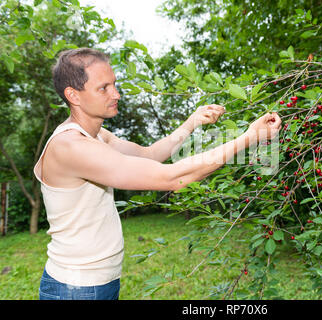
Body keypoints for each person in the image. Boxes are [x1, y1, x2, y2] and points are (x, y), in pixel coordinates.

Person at [33, 48, 281, 300]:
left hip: (96, 283)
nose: (116, 94)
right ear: (73, 95)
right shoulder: (70, 146)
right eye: (103, 88)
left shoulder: (97, 136)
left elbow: (149, 155)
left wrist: (192, 122)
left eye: (114, 84)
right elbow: (171, 178)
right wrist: (249, 138)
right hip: (75, 288)